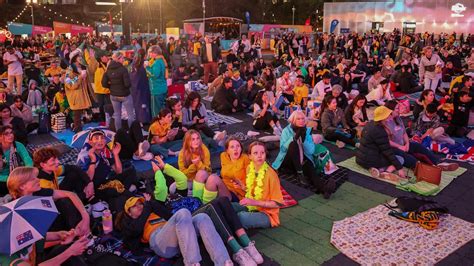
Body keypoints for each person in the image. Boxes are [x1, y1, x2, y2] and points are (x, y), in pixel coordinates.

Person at [117, 195, 233, 265]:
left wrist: (151, 203)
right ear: (128, 212)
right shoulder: (129, 224)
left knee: (202, 217)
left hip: (179, 237)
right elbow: (136, 230)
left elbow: (169, 215)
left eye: (140, 204)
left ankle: (224, 262)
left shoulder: (151, 211)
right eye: (135, 206)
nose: (140, 207)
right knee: (183, 212)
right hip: (159, 241)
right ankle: (192, 263)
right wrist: (147, 206)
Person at [7, 166, 90, 236]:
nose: (38, 180)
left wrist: (85, 217)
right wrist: (65, 236)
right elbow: (35, 242)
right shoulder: (16, 210)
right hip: (45, 245)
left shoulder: (38, 192)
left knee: (64, 201)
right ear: (22, 186)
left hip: (58, 232)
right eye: (33, 179)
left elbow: (70, 194)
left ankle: (83, 233)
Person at [272, 111, 337, 198]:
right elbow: (283, 149)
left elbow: (310, 151)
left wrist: (304, 140)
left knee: (312, 171)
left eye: (303, 118)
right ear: (293, 120)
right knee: (293, 144)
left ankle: (325, 189)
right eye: (298, 119)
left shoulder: (307, 131)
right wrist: (294, 138)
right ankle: (300, 173)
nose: (301, 121)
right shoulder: (286, 131)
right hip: (287, 162)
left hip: (302, 159)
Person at [384, 100, 458, 171]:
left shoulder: (398, 119)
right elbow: (386, 141)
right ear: (390, 110)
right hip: (394, 148)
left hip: (405, 144)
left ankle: (439, 163)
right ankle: (425, 170)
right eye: (397, 108)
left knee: (419, 147)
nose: (399, 109)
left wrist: (406, 143)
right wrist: (400, 147)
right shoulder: (385, 122)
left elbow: (404, 133)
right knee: (412, 160)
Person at [77, 128, 136, 212]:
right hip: (94, 188)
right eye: (96, 138)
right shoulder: (85, 155)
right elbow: (87, 180)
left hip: (106, 181)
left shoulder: (105, 151)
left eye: (102, 138)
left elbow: (118, 171)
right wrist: (93, 160)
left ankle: (122, 191)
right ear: (90, 142)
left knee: (131, 171)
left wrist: (115, 154)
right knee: (115, 192)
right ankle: (122, 192)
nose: (100, 141)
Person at [232, 141, 283, 229]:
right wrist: (243, 187)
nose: (260, 156)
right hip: (252, 207)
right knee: (230, 207)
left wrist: (254, 202)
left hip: (267, 214)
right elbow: (254, 191)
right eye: (255, 153)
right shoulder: (249, 168)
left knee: (241, 217)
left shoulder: (271, 175)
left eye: (262, 153)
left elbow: (277, 204)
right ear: (250, 156)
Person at [178, 130, 231, 204]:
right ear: (187, 141)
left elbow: (208, 170)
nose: (196, 141)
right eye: (193, 139)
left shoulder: (204, 150)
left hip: (204, 178)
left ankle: (197, 202)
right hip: (189, 179)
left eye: (197, 138)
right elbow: (182, 174)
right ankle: (195, 197)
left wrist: (198, 164)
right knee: (172, 188)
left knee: (201, 173)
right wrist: (193, 166)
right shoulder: (182, 153)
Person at [356, 106, 406, 180]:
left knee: (391, 156)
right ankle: (386, 171)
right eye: (388, 115)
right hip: (370, 161)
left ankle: (379, 169)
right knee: (400, 159)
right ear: (384, 117)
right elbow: (387, 151)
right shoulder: (380, 131)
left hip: (360, 159)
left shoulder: (369, 124)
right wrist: (400, 168)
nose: (389, 116)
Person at [102, 51, 135, 131]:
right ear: (118, 58)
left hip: (113, 95)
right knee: (130, 115)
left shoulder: (108, 69)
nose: (123, 59)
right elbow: (127, 84)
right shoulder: (123, 69)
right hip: (124, 95)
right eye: (122, 58)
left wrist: (111, 86)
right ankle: (132, 132)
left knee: (117, 115)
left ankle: (119, 133)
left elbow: (103, 83)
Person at [65, 53, 94, 133]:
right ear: (74, 58)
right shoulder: (69, 70)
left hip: (83, 95)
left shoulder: (82, 68)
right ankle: (77, 132)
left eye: (81, 56)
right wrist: (80, 77)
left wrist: (92, 59)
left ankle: (77, 129)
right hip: (75, 96)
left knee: (80, 116)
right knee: (77, 116)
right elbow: (70, 84)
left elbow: (92, 71)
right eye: (79, 57)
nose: (81, 58)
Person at [0, 125, 32, 195]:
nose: (10, 135)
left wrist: (27, 173)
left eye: (11, 132)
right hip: (3, 179)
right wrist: (9, 178)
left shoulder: (18, 145)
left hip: (17, 175)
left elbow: (27, 159)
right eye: (6, 134)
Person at [130, 48, 152, 124]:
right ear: (145, 55)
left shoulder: (133, 64)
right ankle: (145, 120)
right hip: (143, 87)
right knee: (144, 104)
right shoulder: (145, 63)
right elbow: (149, 74)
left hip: (135, 88)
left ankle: (139, 120)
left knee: (138, 105)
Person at [146, 45, 168, 117]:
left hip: (156, 89)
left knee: (156, 112)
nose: (149, 54)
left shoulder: (157, 62)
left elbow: (154, 75)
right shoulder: (161, 60)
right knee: (162, 110)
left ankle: (156, 125)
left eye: (150, 53)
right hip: (162, 88)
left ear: (154, 53)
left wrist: (147, 67)